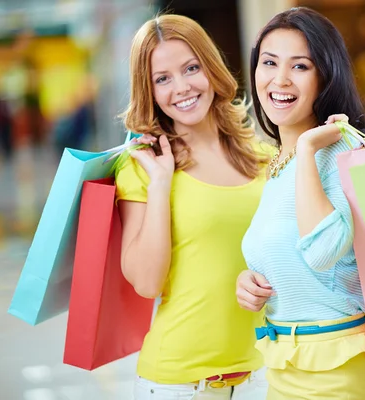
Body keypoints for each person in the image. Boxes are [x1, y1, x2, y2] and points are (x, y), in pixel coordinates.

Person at [116, 14, 272, 400]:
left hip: (262, 376)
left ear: (211, 68)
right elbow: (147, 282)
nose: (182, 88)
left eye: (191, 68)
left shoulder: (263, 157)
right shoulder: (141, 167)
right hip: (178, 385)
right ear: (148, 90)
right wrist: (161, 182)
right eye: (162, 78)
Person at [236, 7, 365, 399]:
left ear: (325, 75)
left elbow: (322, 253)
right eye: (269, 62)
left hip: (335, 376)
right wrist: (250, 281)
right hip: (283, 366)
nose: (279, 79)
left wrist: (307, 149)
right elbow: (295, 261)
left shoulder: (343, 150)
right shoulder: (277, 163)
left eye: (299, 66)